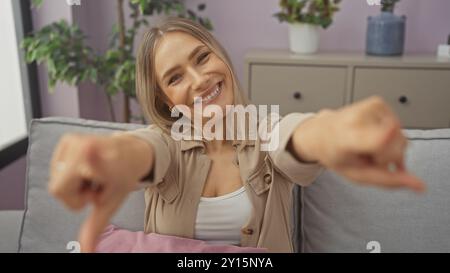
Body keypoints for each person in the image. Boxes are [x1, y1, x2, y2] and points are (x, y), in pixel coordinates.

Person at [48, 17, 425, 253]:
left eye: (202, 58)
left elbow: (291, 137)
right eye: (175, 77)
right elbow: (142, 151)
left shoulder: (264, 129)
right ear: (165, 101)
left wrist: (328, 132)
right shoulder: (165, 143)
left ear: (222, 57)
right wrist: (114, 158)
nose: (199, 81)